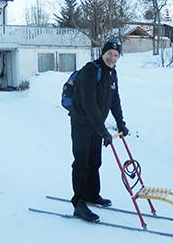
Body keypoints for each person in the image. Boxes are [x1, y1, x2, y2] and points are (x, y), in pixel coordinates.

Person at [68, 39, 129, 222]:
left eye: (116, 55)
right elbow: (89, 103)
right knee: (81, 162)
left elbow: (114, 100)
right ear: (103, 53)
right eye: (109, 53)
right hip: (81, 123)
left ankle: (92, 195)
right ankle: (79, 203)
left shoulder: (112, 74)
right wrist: (102, 129)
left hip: (96, 126)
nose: (112, 57)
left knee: (95, 161)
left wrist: (120, 123)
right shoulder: (90, 70)